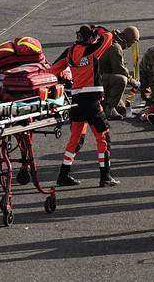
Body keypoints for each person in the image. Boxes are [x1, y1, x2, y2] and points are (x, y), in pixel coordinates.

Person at [53, 25, 119, 187]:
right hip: (92, 102)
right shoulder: (92, 50)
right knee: (103, 137)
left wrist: (64, 78)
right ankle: (105, 176)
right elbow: (108, 37)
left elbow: (54, 69)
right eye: (94, 37)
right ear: (90, 38)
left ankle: (63, 174)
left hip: (76, 102)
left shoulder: (70, 52)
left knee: (76, 139)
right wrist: (99, 30)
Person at [98, 26, 140, 120]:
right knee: (121, 80)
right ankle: (109, 108)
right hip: (98, 78)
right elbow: (119, 70)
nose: (130, 45)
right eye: (132, 42)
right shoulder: (115, 47)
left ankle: (112, 105)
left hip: (100, 75)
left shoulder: (112, 40)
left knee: (122, 110)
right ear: (129, 39)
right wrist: (134, 82)